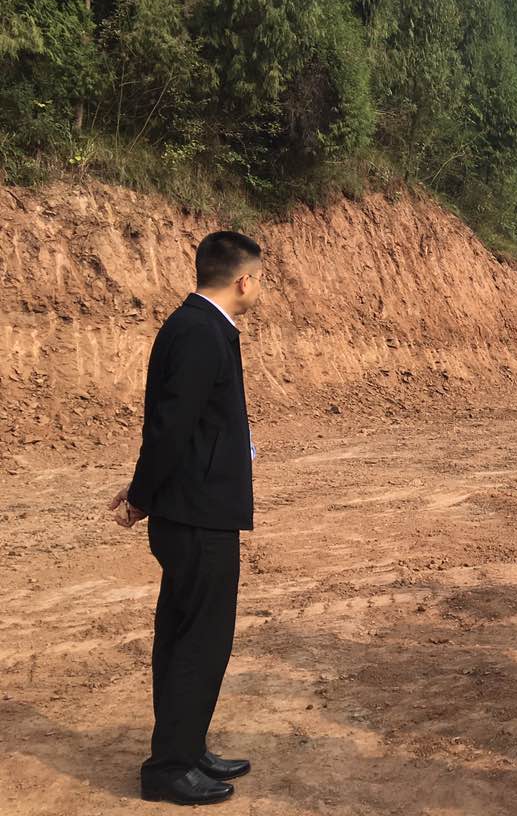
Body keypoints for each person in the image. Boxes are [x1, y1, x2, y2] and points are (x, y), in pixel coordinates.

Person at [107, 231, 264, 806]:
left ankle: (186, 746)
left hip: (196, 509)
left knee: (186, 634)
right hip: (197, 514)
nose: (259, 288)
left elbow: (184, 425)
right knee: (199, 639)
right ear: (243, 280)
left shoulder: (200, 327)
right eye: (259, 279)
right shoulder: (199, 331)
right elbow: (170, 427)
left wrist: (146, 489)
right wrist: (142, 495)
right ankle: (169, 767)